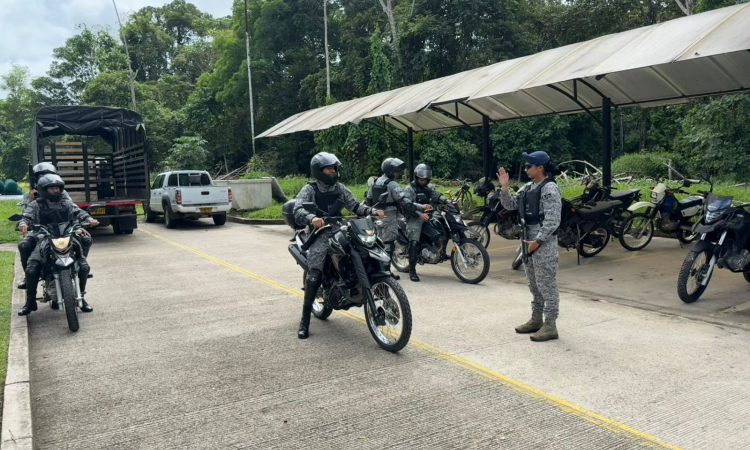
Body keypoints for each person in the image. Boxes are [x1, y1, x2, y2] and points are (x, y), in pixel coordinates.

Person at [293, 152, 385, 339]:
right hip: (319, 233)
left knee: (363, 249)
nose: (332, 171)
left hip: (338, 229)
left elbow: (356, 206)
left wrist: (372, 211)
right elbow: (298, 209)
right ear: (319, 171)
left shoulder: (340, 188)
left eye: (334, 168)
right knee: (314, 274)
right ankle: (305, 320)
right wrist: (312, 218)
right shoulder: (309, 189)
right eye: (328, 168)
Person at [497, 151, 562, 342]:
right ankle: (536, 319)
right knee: (534, 284)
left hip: (543, 242)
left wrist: (538, 242)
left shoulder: (549, 189)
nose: (526, 169)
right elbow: (510, 205)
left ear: (540, 167)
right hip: (528, 239)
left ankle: (550, 324)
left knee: (547, 284)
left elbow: (552, 220)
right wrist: (504, 187)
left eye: (529, 166)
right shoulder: (528, 187)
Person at [17, 174, 98, 316]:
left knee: (84, 266)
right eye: (52, 188)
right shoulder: (35, 204)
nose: (56, 191)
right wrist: (23, 223)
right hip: (44, 238)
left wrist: (89, 219)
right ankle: (30, 303)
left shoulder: (66, 202)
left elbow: (79, 212)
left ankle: (82, 298)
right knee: (31, 269)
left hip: (66, 236)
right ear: (43, 190)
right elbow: (27, 216)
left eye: (57, 188)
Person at [17, 162, 91, 289]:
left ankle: (79, 264)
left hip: (62, 229)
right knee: (24, 246)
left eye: (49, 174)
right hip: (39, 230)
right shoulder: (30, 195)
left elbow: (72, 210)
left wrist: (79, 225)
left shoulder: (62, 193)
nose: (55, 189)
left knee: (85, 239)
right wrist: (31, 199)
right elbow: (27, 214)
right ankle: (28, 276)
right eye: (42, 175)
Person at [365, 157, 421, 280]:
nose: (397, 174)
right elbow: (404, 201)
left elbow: (368, 200)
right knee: (389, 245)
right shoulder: (392, 184)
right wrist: (419, 207)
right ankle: (386, 274)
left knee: (378, 244)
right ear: (390, 171)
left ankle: (377, 271)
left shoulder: (375, 182)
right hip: (389, 218)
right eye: (396, 171)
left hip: (376, 217)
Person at [402, 164, 448, 282]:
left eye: (425, 179)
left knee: (444, 228)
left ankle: (440, 252)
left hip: (429, 214)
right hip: (414, 217)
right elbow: (406, 205)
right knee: (414, 242)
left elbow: (435, 195)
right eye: (421, 179)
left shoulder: (429, 187)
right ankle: (412, 270)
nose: (423, 181)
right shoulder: (409, 189)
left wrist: (446, 200)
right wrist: (419, 214)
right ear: (417, 178)